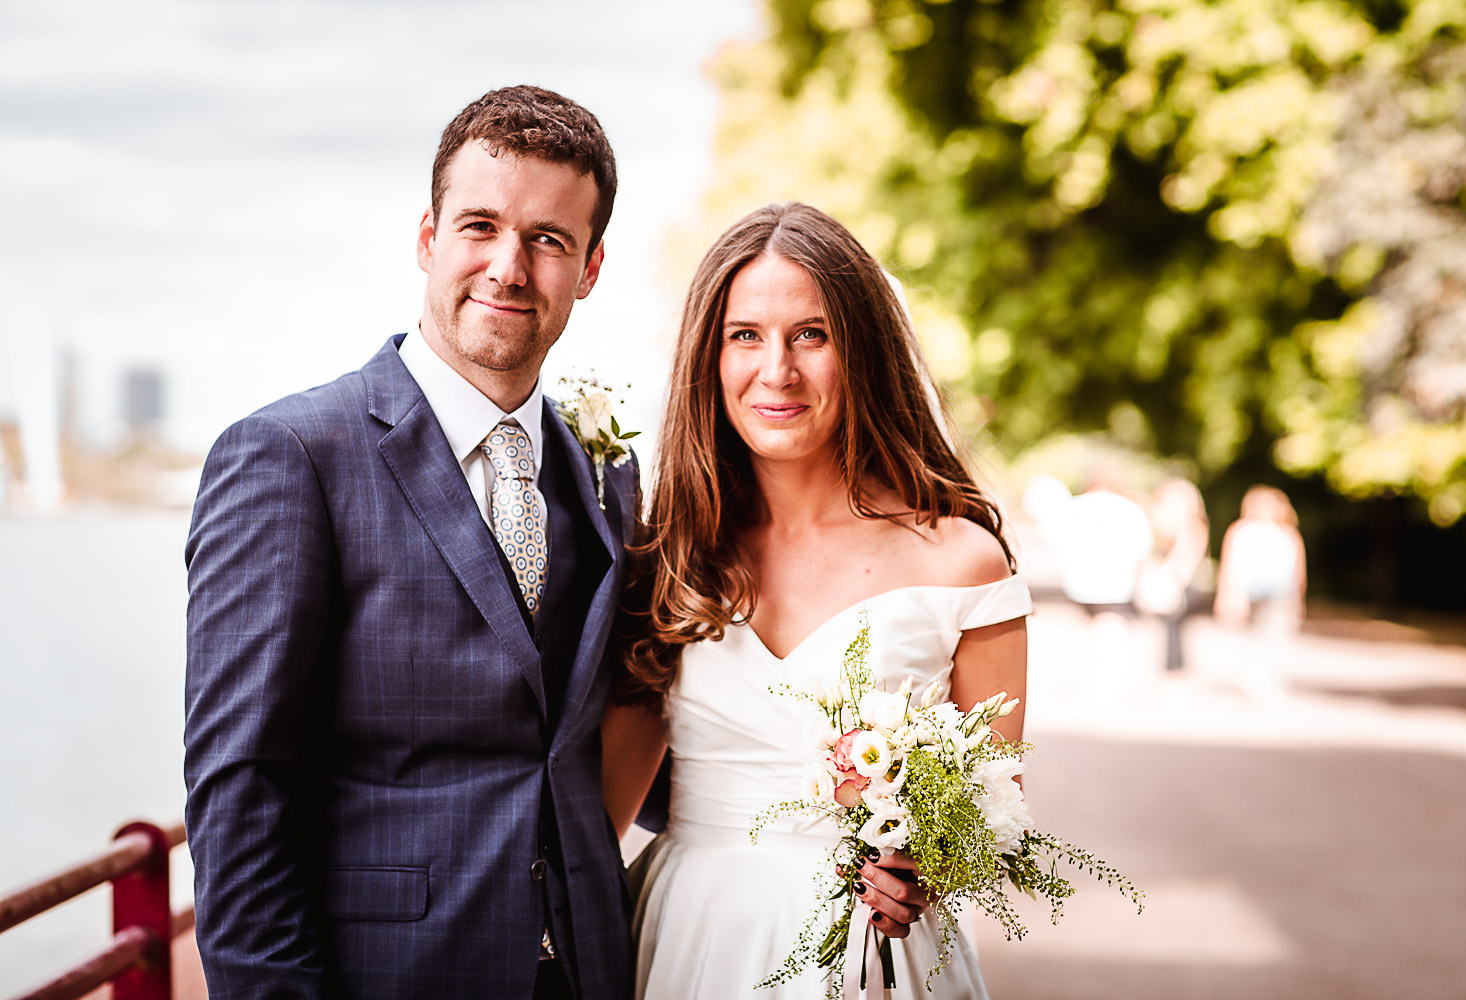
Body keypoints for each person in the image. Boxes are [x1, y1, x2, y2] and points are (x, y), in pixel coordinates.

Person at [184, 86, 637, 1000]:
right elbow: (241, 791)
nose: (509, 267)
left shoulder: (607, 476)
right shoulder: (292, 455)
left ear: (589, 268)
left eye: (549, 240)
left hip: (590, 971)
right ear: (428, 237)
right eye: (480, 227)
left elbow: (616, 730)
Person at [600, 203, 1031, 998]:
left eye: (811, 334)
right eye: (745, 335)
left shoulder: (965, 561)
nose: (778, 371)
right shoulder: (668, 557)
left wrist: (923, 870)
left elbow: (994, 802)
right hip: (691, 939)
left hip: (876, 961)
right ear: (709, 355)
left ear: (860, 350)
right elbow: (599, 824)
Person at [1213, 484, 1307, 700]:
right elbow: (1229, 565)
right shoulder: (1241, 529)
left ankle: (1266, 678)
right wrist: (1227, 593)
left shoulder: (1287, 532)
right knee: (1253, 635)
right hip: (1248, 592)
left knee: (1275, 635)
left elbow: (1298, 569)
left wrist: (1299, 598)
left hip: (1280, 594)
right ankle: (1254, 675)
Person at [1137, 477, 1210, 673]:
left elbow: (1187, 555)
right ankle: (1173, 669)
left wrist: (1176, 578)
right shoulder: (1175, 526)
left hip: (1181, 581)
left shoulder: (1192, 527)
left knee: (1175, 629)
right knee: (1170, 631)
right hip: (1176, 579)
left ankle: (1175, 671)